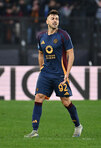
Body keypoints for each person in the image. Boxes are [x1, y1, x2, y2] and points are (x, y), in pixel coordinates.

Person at [24, 9, 83, 138]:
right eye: (53, 18)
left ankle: (78, 126)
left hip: (60, 75)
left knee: (66, 102)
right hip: (45, 74)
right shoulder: (41, 36)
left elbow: (71, 54)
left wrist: (67, 73)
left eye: (57, 18)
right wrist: (41, 69)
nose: (55, 20)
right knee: (38, 97)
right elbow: (40, 54)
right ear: (47, 21)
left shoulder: (64, 35)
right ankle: (34, 131)